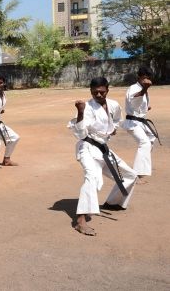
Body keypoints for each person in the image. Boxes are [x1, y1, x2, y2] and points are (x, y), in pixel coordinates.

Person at [69, 77, 138, 236]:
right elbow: (80, 133)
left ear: (107, 89)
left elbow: (116, 120)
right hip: (87, 147)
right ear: (90, 91)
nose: (98, 95)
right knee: (92, 177)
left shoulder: (113, 105)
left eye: (102, 91)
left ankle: (112, 203)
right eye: (95, 92)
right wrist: (79, 112)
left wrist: (112, 129)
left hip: (103, 149)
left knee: (130, 175)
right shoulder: (86, 107)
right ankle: (80, 220)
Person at [121, 67, 160, 181]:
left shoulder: (143, 88)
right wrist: (144, 89)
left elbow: (139, 105)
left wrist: (146, 108)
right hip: (132, 122)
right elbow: (133, 103)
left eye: (148, 78)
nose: (146, 80)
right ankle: (137, 172)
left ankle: (142, 164)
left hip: (140, 121)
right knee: (144, 142)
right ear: (139, 77)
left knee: (152, 137)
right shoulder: (134, 88)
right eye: (144, 77)